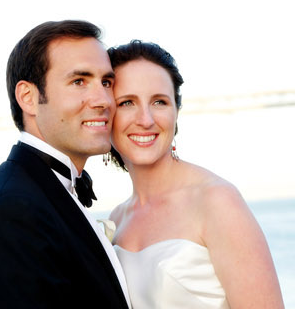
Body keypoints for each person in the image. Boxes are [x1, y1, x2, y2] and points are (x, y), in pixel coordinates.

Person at [0, 19, 130, 309]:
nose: (104, 100)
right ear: (29, 98)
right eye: (79, 81)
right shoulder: (10, 210)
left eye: (106, 82)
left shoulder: (38, 192)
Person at [109, 39, 285, 309]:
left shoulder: (216, 201)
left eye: (159, 102)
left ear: (176, 111)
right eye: (127, 103)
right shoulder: (117, 219)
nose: (145, 119)